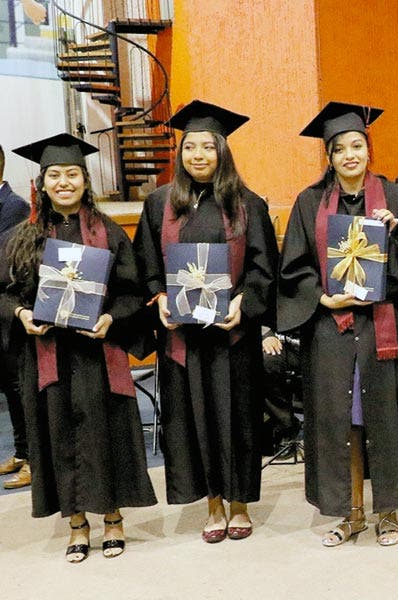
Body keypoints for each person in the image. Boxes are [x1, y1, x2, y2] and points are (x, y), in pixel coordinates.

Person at [1, 134, 156, 562]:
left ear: (85, 181)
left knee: (105, 433)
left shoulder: (108, 233)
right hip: (49, 355)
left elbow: (132, 292)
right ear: (42, 182)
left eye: (72, 174)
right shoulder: (23, 236)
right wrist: (21, 314)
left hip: (97, 354)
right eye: (55, 175)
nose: (64, 182)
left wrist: (111, 319)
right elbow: (4, 294)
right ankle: (76, 523)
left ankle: (113, 518)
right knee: (59, 435)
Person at [279, 102, 398, 547]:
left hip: (383, 325)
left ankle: (389, 513)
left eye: (357, 146)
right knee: (343, 422)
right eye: (339, 148)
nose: (349, 155)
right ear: (329, 155)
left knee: (386, 416)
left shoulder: (394, 199)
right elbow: (295, 267)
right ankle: (350, 512)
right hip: (332, 328)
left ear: (369, 149)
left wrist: (393, 236)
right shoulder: (309, 202)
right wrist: (323, 297)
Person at [134, 100, 278, 544]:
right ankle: (213, 505)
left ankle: (240, 505)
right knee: (192, 422)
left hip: (232, 337)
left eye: (207, 147)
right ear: (180, 153)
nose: (198, 155)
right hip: (183, 340)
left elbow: (263, 269)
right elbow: (145, 267)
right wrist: (159, 300)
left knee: (239, 421)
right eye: (190, 147)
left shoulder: (248, 204)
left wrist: (244, 303)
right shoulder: (159, 204)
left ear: (222, 152)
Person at [0, 144, 31, 489]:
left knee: (21, 386)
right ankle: (22, 451)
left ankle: (35, 458)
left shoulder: (14, 207)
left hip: (12, 309)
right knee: (9, 387)